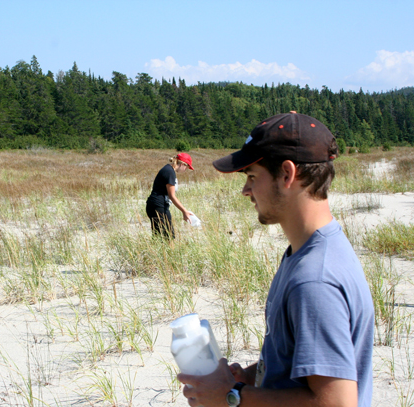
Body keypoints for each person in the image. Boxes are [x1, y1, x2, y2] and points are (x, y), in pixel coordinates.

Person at [178, 112, 374, 407]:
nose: (246, 191)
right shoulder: (307, 252)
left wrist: (233, 397)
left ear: (287, 174)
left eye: (253, 177)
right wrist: (245, 377)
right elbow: (297, 365)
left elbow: (336, 403)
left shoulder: (315, 280)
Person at [146, 152, 194, 239]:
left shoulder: (168, 169)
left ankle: (159, 252)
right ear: (182, 164)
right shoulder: (169, 172)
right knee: (167, 237)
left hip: (157, 205)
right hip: (158, 206)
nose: (185, 170)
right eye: (186, 167)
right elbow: (172, 195)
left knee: (162, 236)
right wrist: (184, 211)